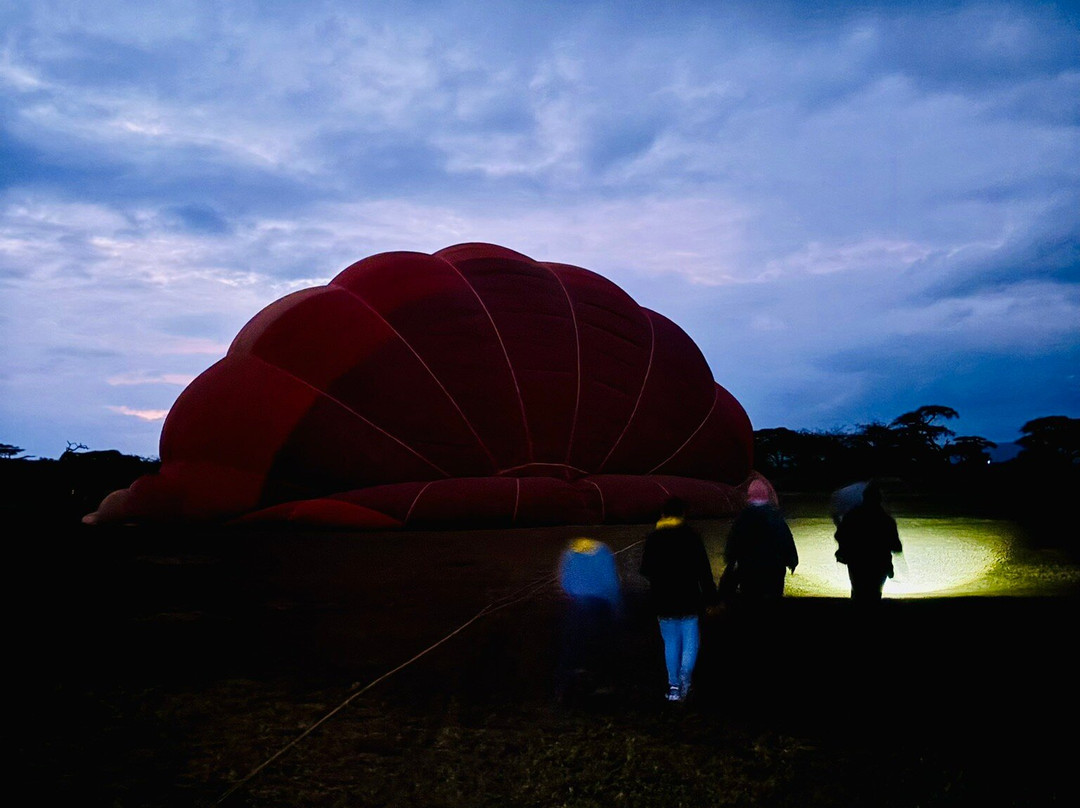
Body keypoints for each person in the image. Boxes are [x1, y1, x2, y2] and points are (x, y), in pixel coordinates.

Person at [639, 497, 717, 703]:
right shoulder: (692, 536)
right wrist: (711, 599)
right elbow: (704, 572)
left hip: (663, 600)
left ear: (663, 514)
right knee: (691, 642)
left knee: (670, 644)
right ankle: (686, 680)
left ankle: (673, 686)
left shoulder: (654, 538)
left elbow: (645, 569)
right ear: (684, 514)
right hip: (689, 598)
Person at [555, 537, 622, 699]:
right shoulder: (603, 551)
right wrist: (616, 605)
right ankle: (600, 684)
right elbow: (611, 581)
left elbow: (564, 581)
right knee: (600, 645)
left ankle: (571, 684)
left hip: (577, 606)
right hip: (600, 605)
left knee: (574, 645)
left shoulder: (570, 553)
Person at [722, 478, 798, 603]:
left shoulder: (743, 518)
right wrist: (792, 560)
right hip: (773, 568)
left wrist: (730, 558)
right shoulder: (775, 517)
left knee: (751, 600)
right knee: (772, 601)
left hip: (749, 568)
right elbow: (786, 539)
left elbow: (734, 541)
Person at [833, 480, 903, 603]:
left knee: (857, 592)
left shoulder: (852, 515)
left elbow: (840, 535)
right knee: (875, 594)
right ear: (879, 500)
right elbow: (896, 546)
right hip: (879, 564)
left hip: (857, 562)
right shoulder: (886, 520)